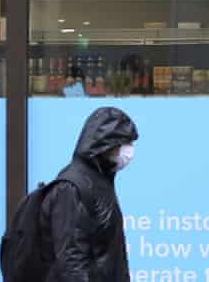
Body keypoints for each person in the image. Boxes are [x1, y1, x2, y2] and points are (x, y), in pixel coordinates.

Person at [40, 107, 138, 281]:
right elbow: (71, 262)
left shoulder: (100, 181)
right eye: (125, 143)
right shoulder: (71, 188)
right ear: (106, 143)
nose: (129, 151)